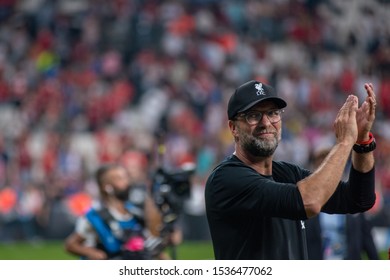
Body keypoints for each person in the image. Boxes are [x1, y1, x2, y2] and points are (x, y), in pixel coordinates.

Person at [204, 80, 377, 260]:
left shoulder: (286, 173)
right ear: (233, 128)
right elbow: (310, 202)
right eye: (253, 115)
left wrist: (361, 141)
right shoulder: (226, 179)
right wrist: (345, 142)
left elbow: (359, 199)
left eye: (272, 113)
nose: (266, 122)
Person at [64, 163, 154, 260]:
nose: (126, 182)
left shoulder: (134, 212)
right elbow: (71, 245)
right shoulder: (95, 215)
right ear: (106, 187)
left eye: (125, 177)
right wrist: (92, 252)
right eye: (119, 179)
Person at [305, 144, 379, 260]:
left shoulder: (352, 201)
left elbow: (367, 240)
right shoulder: (305, 204)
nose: (324, 176)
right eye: (320, 170)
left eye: (328, 170)